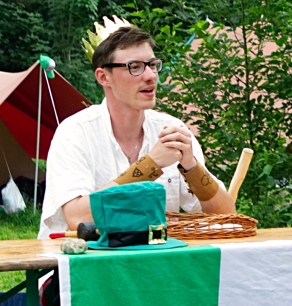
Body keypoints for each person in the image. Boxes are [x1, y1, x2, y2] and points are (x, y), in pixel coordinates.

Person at [39, 18, 235, 238]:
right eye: (135, 67)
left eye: (152, 65)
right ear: (103, 77)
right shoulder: (75, 133)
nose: (150, 76)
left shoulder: (173, 130)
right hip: (79, 257)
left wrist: (191, 167)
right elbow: (78, 218)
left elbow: (227, 217)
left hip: (154, 256)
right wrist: (150, 165)